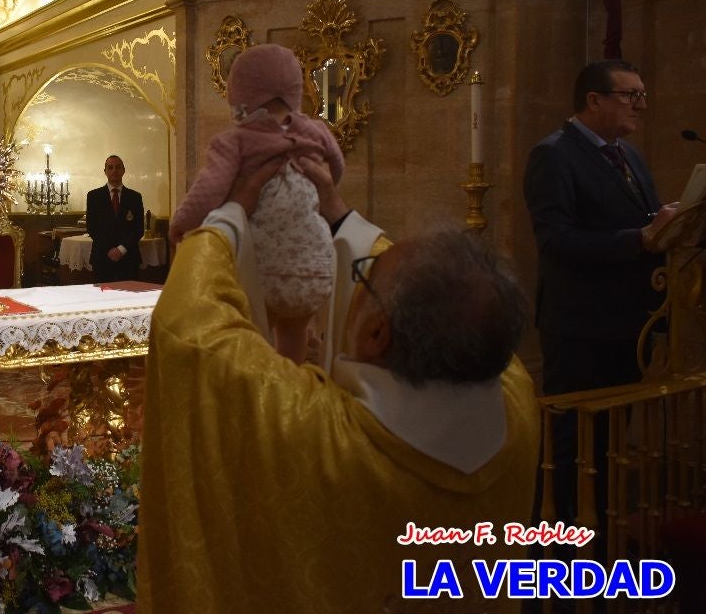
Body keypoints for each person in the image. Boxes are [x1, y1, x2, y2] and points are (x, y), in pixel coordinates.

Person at [138, 156, 540, 613]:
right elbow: (460, 296)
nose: (363, 273)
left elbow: (190, 330)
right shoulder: (516, 401)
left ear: (377, 334)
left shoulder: (312, 430)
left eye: (365, 277)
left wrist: (228, 215)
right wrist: (340, 215)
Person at [523, 58, 677, 528]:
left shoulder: (628, 156)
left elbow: (646, 226)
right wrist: (642, 239)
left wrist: (675, 225)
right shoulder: (554, 154)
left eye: (642, 94)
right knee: (569, 450)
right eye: (630, 95)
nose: (641, 106)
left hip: (628, 325)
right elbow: (557, 242)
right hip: (581, 329)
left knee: (609, 449)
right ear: (594, 100)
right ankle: (550, 563)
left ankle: (600, 547)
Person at [170, 43, 344, 363]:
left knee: (256, 341)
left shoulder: (235, 139)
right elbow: (335, 170)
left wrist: (182, 223)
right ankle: (291, 384)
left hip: (262, 267)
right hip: (315, 266)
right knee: (294, 341)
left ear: (241, 91)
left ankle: (263, 395)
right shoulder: (316, 130)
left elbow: (209, 190)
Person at [85, 155, 144, 283]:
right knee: (102, 299)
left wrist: (121, 249)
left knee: (129, 299)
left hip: (128, 257)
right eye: (110, 167)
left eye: (118, 167)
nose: (114, 171)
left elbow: (138, 229)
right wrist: (109, 250)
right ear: (105, 171)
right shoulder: (94, 196)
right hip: (102, 257)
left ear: (123, 170)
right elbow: (92, 227)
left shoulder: (135, 197)